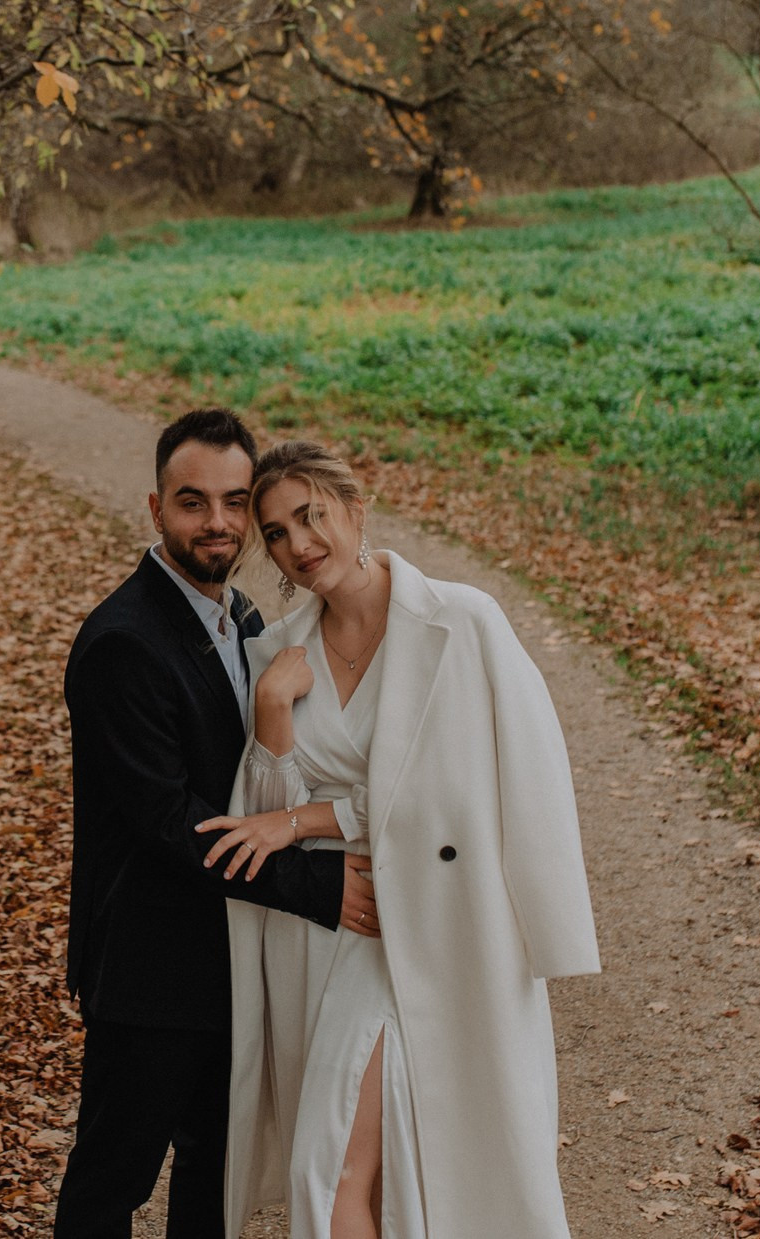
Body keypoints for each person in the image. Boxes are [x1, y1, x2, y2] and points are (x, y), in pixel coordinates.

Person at [197, 439, 599, 1239]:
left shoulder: (461, 621)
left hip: (444, 921)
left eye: (312, 516)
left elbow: (479, 786)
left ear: (354, 507)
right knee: (371, 1167)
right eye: (275, 532)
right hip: (342, 930)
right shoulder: (279, 652)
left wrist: (308, 819)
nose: (300, 545)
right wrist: (273, 719)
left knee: (354, 1162)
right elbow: (265, 813)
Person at [56, 410, 383, 1239]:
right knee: (113, 1180)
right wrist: (316, 883)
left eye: (236, 502)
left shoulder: (242, 622)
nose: (219, 523)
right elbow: (170, 818)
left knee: (215, 1175)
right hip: (149, 962)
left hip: (234, 953)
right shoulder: (121, 641)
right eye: (193, 501)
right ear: (156, 508)